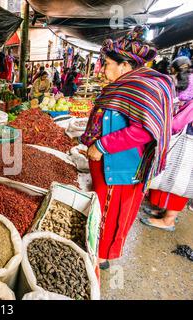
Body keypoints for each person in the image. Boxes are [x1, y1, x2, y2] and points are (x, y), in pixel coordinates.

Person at [80, 26, 175, 270]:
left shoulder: (142, 86)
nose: (103, 69)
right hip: (108, 164)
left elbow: (144, 130)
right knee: (103, 209)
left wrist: (101, 145)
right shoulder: (124, 84)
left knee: (111, 214)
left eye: (108, 63)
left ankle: (100, 257)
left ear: (124, 66)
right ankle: (97, 250)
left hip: (121, 166)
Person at [140, 56, 193, 231]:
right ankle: (163, 211)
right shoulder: (184, 84)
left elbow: (178, 122)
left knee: (181, 180)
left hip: (188, 141)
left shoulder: (188, 88)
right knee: (170, 176)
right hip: (183, 137)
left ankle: (169, 220)